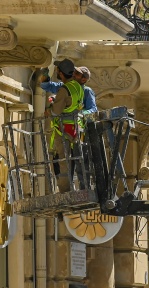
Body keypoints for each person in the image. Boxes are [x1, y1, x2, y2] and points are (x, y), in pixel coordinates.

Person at [43, 59, 84, 192]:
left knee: (63, 160)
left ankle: (65, 190)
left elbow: (56, 112)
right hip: (75, 128)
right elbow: (72, 104)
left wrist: (50, 108)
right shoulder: (78, 86)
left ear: (60, 73)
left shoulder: (64, 89)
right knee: (75, 158)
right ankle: (79, 185)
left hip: (64, 129)